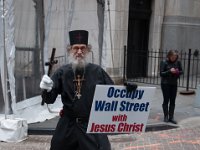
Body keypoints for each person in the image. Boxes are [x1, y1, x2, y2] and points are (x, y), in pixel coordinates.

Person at [39, 30, 114, 150]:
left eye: (83, 48)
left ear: (88, 50)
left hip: (90, 123)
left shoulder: (97, 72)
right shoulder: (62, 72)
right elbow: (49, 99)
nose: (79, 52)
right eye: (76, 48)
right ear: (70, 50)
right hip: (68, 124)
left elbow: (113, 94)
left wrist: (129, 89)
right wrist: (46, 89)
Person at [160, 50, 183, 124]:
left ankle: (171, 117)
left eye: (175, 57)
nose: (174, 58)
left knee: (173, 100)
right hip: (165, 83)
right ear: (169, 56)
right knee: (166, 100)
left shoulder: (178, 62)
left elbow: (182, 71)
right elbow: (161, 73)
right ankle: (166, 116)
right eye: (172, 57)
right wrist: (169, 71)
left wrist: (177, 72)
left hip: (174, 83)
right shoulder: (164, 62)